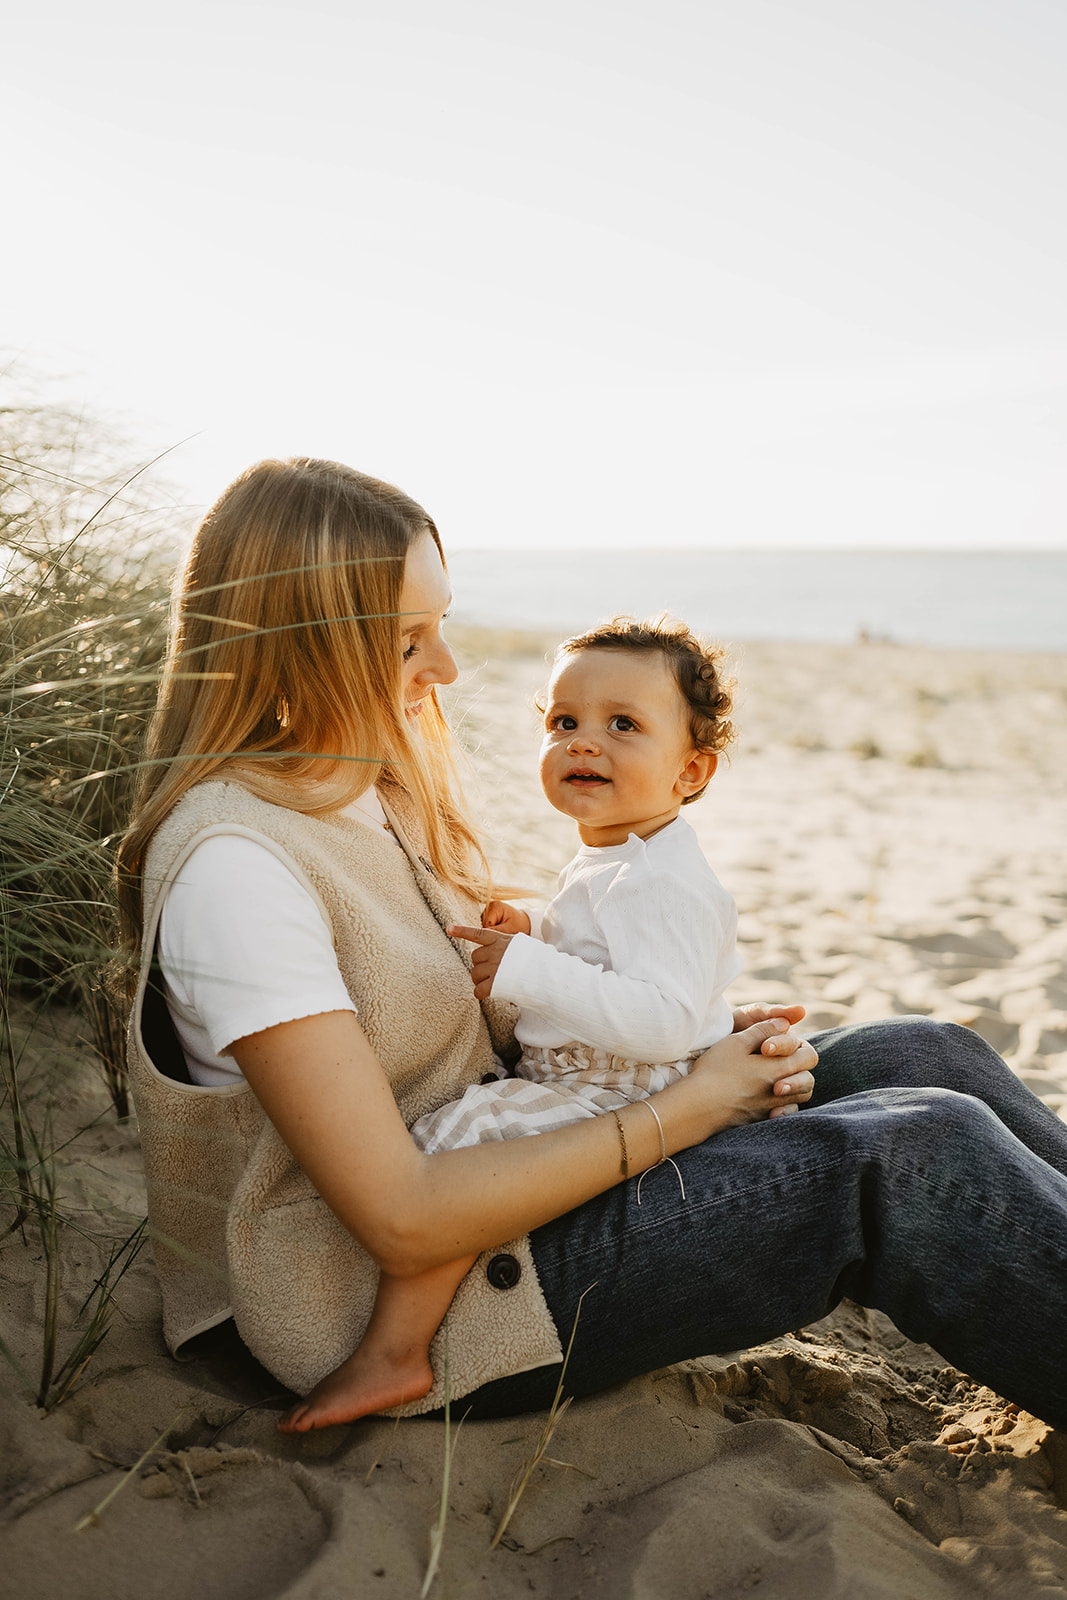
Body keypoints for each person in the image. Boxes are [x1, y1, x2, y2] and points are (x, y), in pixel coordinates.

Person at [119, 457, 1067, 1446]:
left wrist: (684, 1028)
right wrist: (688, 1101)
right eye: (408, 641)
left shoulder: (369, 789)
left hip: (526, 1147)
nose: (443, 668)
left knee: (920, 1058)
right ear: (307, 641)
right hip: (411, 1294)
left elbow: (461, 1011)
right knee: (909, 1155)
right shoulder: (235, 866)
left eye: (441, 624)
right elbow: (400, 1218)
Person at [281, 617, 751, 1430]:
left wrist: (531, 967)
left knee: (458, 1148)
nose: (584, 743)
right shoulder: (617, 854)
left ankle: (393, 1354)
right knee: (458, 1141)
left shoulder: (662, 881)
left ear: (691, 770)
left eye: (623, 726)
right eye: (563, 722)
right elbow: (609, 954)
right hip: (593, 1073)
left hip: (618, 1086)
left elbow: (667, 1020)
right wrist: (539, 925)